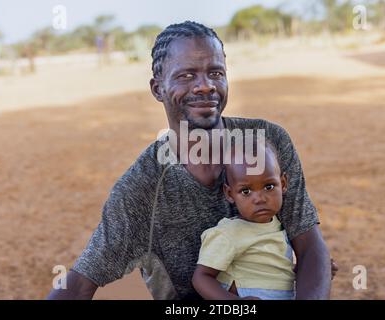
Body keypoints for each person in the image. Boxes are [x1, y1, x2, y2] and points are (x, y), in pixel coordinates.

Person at [47, 21, 337, 300]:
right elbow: (79, 286)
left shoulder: (267, 143)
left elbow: (310, 246)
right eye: (186, 75)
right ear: (157, 88)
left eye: (215, 72)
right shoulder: (142, 188)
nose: (205, 86)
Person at [193, 139, 296, 300]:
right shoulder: (229, 233)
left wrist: (309, 269)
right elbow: (201, 277)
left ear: (282, 183)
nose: (260, 199)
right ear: (229, 194)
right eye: (246, 191)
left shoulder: (278, 225)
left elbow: (274, 272)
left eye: (269, 186)